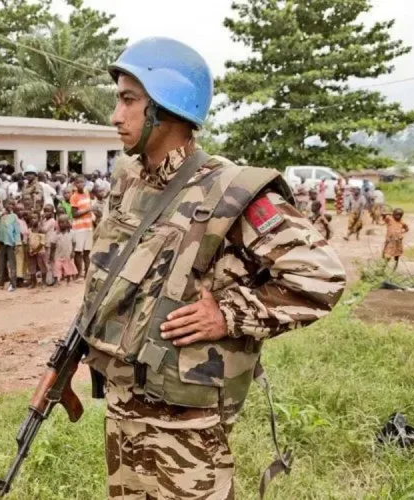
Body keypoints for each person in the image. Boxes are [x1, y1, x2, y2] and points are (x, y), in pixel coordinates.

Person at [75, 37, 346, 499]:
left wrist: (228, 312)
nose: (115, 115)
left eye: (128, 100)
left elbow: (321, 276)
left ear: (166, 106)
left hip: (189, 422)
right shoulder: (128, 182)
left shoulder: (234, 190)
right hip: (123, 407)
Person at [0, 199, 20, 292]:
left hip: (11, 243)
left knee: (12, 264)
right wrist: (0, 216)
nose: (11, 206)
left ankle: (13, 284)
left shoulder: (14, 216)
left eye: (13, 204)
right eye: (9, 204)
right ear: (4, 204)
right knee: (0, 263)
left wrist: (17, 243)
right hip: (1, 242)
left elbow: (16, 231)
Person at [70, 175, 93, 279]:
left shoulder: (87, 194)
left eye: (82, 182)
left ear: (85, 183)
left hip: (88, 226)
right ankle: (79, 273)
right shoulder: (74, 196)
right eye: (78, 183)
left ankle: (87, 273)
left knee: (87, 252)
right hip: (79, 228)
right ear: (75, 184)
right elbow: (74, 214)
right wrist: (88, 210)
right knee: (78, 252)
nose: (80, 184)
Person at [50, 214, 77, 285]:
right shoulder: (56, 234)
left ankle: (68, 281)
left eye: (63, 222)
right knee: (56, 267)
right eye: (60, 223)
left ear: (68, 223)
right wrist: (51, 255)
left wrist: (73, 251)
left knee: (68, 267)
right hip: (58, 255)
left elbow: (74, 243)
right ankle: (56, 281)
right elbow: (52, 245)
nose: (61, 224)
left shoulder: (72, 233)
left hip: (68, 254)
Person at [26, 212, 48, 288]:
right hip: (31, 252)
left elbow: (42, 243)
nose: (33, 220)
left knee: (42, 266)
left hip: (40, 251)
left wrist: (35, 250)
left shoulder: (41, 230)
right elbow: (28, 241)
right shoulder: (29, 230)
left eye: (35, 218)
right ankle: (33, 283)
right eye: (31, 218)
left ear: (38, 219)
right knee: (32, 267)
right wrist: (29, 250)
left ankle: (44, 282)